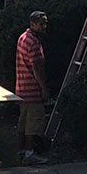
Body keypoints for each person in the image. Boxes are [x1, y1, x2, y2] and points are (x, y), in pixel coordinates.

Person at [14, 10, 51, 159]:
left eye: (45, 23)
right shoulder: (34, 43)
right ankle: (30, 153)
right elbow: (37, 68)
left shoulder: (22, 37)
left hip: (21, 87)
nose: (44, 27)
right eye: (41, 24)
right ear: (32, 24)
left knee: (23, 121)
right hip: (32, 89)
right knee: (33, 123)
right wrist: (44, 88)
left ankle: (21, 150)